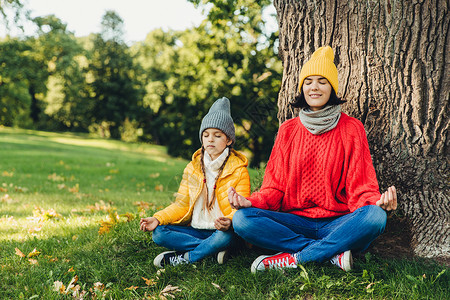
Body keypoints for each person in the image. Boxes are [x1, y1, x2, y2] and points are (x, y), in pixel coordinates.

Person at [228, 46, 397, 273]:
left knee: (375, 217)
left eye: (322, 81)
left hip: (338, 223)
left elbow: (362, 186)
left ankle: (295, 258)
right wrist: (252, 202)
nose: (314, 87)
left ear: (332, 89)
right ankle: (328, 254)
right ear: (301, 87)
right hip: (295, 222)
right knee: (242, 220)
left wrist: (377, 203)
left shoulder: (351, 128)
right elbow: (275, 188)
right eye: (308, 81)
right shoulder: (288, 130)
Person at [140, 97, 251, 268]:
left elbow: (241, 211)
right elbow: (181, 205)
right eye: (206, 135)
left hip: (222, 232)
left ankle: (187, 258)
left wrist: (228, 222)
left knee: (225, 237)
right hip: (195, 230)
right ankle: (212, 251)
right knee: (159, 233)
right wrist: (158, 218)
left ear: (228, 140)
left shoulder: (239, 171)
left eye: (217, 135)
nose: (210, 140)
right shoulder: (192, 168)